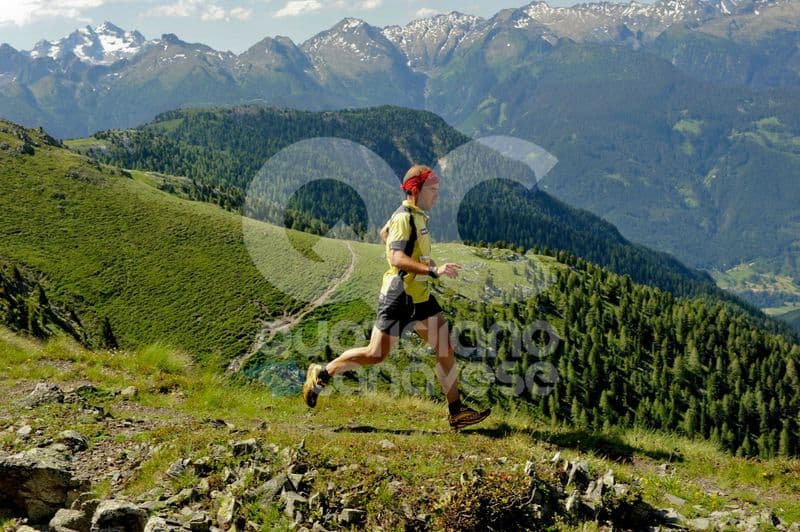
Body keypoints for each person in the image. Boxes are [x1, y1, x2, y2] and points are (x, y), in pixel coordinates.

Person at [303, 164, 491, 430]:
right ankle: (322, 373)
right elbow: (396, 257)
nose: (437, 195)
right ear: (416, 190)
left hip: (420, 297)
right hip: (399, 297)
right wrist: (432, 269)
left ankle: (456, 411)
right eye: (432, 190)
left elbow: (385, 233)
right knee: (376, 354)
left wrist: (423, 260)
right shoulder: (405, 217)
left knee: (445, 349)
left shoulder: (416, 215)